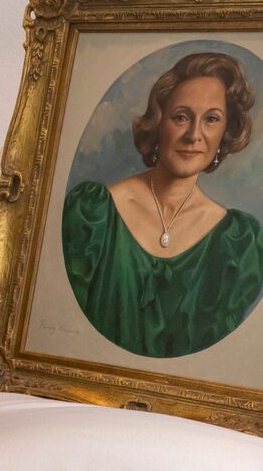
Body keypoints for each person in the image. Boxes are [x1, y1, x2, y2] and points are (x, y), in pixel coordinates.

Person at [62, 52, 263, 358]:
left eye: (211, 119)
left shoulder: (238, 244)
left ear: (226, 132)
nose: (194, 134)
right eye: (181, 116)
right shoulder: (94, 213)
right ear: (158, 123)